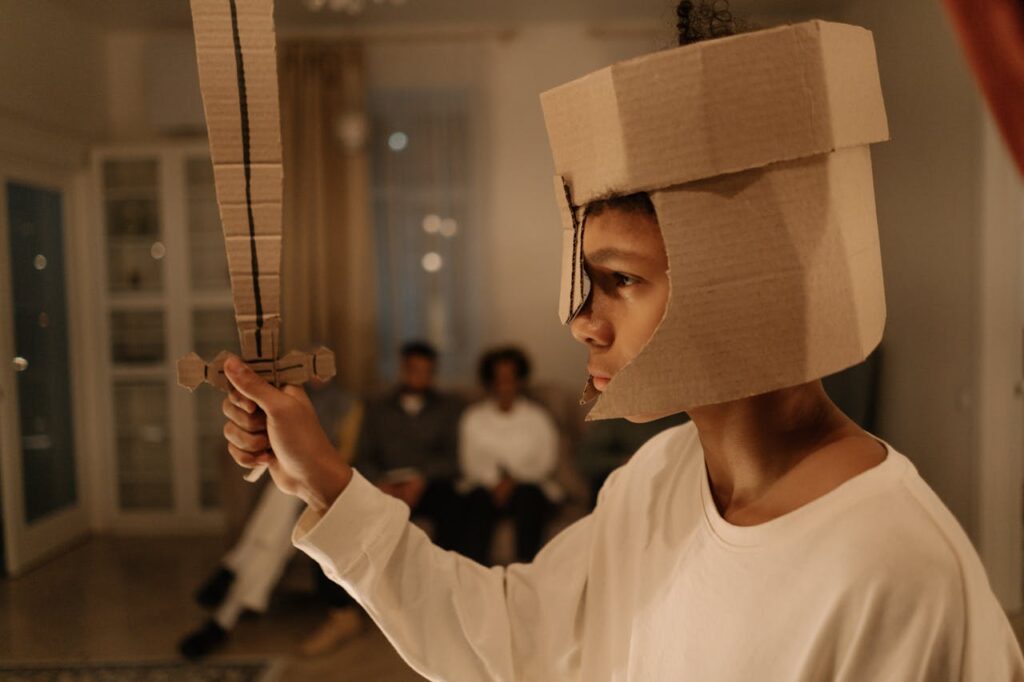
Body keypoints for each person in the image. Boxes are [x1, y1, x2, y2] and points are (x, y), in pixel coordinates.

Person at [215, 3, 1024, 679]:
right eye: (586, 277)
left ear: (748, 283)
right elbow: (512, 637)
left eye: (621, 279)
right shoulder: (659, 476)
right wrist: (323, 477)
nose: (581, 320)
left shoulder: (895, 569)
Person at [179, 376, 360, 661]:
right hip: (298, 486)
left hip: (330, 483)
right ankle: (223, 619)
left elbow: (345, 454)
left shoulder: (348, 405)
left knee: (284, 503)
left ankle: (230, 575)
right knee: (275, 540)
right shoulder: (294, 399)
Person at [352, 341, 464, 551]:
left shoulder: (448, 407)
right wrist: (380, 481)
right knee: (350, 508)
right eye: (414, 370)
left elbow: (453, 459)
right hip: (384, 484)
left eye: (426, 371)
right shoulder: (377, 407)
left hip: (428, 485)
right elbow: (363, 455)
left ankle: (448, 570)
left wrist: (422, 478)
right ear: (402, 370)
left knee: (453, 503)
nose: (419, 377)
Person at [458, 346, 561, 564]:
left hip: (528, 486)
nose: (505, 384)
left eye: (510, 377)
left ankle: (527, 568)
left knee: (529, 498)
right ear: (489, 381)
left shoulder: (538, 417)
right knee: (475, 503)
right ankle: (475, 570)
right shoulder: (473, 417)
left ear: (520, 380)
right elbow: (469, 462)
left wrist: (513, 480)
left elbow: (546, 461)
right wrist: (494, 482)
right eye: (499, 378)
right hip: (484, 488)